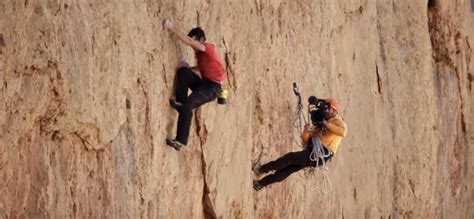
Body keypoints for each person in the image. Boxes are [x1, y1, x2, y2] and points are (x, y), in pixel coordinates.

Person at [252, 98, 347, 191]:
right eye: (325, 109)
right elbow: (306, 141)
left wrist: (325, 123)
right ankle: (260, 184)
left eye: (328, 109)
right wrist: (306, 131)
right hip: (313, 153)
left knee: (289, 158)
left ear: (335, 111)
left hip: (320, 154)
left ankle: (261, 169)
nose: (326, 111)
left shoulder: (339, 122)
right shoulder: (321, 125)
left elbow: (343, 132)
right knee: (288, 170)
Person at [163, 18, 226, 151]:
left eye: (195, 42)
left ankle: (180, 141)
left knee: (189, 106)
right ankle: (180, 103)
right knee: (183, 72)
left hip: (212, 88)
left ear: (201, 40)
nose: (193, 47)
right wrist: (189, 68)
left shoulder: (207, 47)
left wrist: (172, 27)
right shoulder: (201, 56)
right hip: (205, 83)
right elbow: (202, 68)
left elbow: (190, 41)